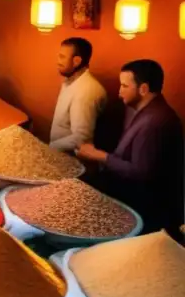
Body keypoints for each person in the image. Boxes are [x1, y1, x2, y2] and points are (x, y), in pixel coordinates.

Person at [78, 60, 184, 240]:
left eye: (125, 86)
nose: (119, 91)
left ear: (143, 89)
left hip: (144, 207)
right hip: (130, 192)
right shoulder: (144, 109)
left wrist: (100, 156)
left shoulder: (155, 122)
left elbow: (141, 172)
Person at [50, 37, 107, 152]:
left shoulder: (86, 92)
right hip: (61, 157)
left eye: (62, 57)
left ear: (76, 61)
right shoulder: (70, 80)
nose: (58, 61)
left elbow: (82, 137)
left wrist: (50, 147)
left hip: (75, 163)